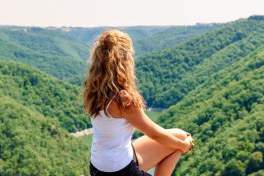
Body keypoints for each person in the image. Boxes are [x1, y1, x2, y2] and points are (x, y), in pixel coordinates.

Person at [83, 29, 194, 176]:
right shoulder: (123, 99)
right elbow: (155, 134)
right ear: (125, 59)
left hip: (98, 167)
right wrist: (183, 146)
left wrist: (180, 142)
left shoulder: (94, 90)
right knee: (181, 142)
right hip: (120, 172)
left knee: (179, 135)